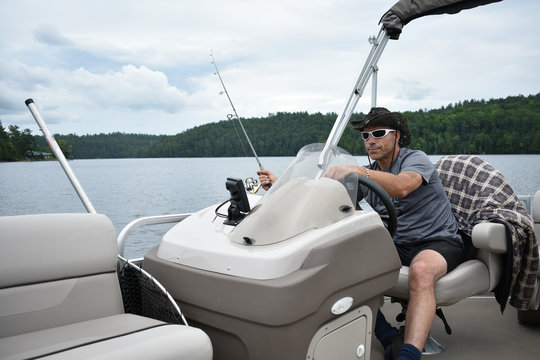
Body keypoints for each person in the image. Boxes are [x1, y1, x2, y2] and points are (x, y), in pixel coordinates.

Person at [257, 107, 465, 360]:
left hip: (438, 240)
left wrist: (358, 171)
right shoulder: (368, 173)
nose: (370, 141)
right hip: (396, 244)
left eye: (378, 133)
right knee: (343, 268)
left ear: (397, 136)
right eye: (365, 136)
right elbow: (325, 203)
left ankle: (409, 356)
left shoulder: (415, 159)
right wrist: (279, 186)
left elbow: (403, 186)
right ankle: (387, 336)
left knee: (421, 271)